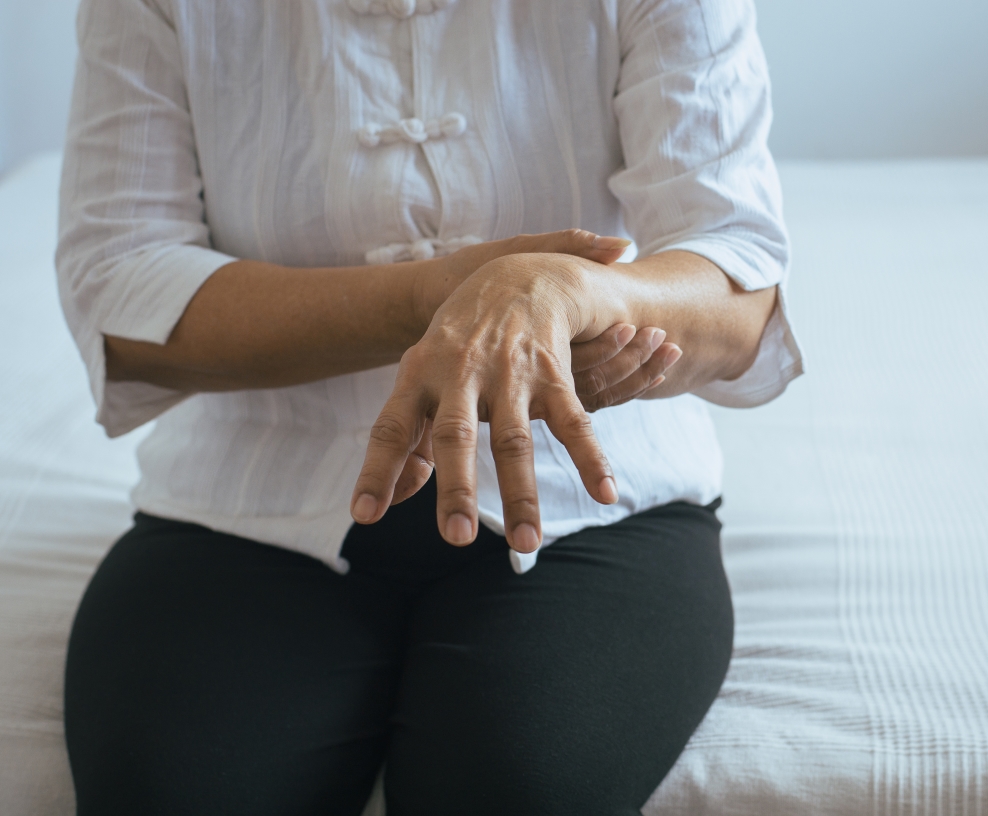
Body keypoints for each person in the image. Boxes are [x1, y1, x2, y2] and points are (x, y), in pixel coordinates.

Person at [56, 0, 802, 813]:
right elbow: (118, 287)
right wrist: (441, 297)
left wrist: (565, 292)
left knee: (522, 794)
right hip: (244, 506)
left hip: (595, 502)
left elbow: (738, 294)